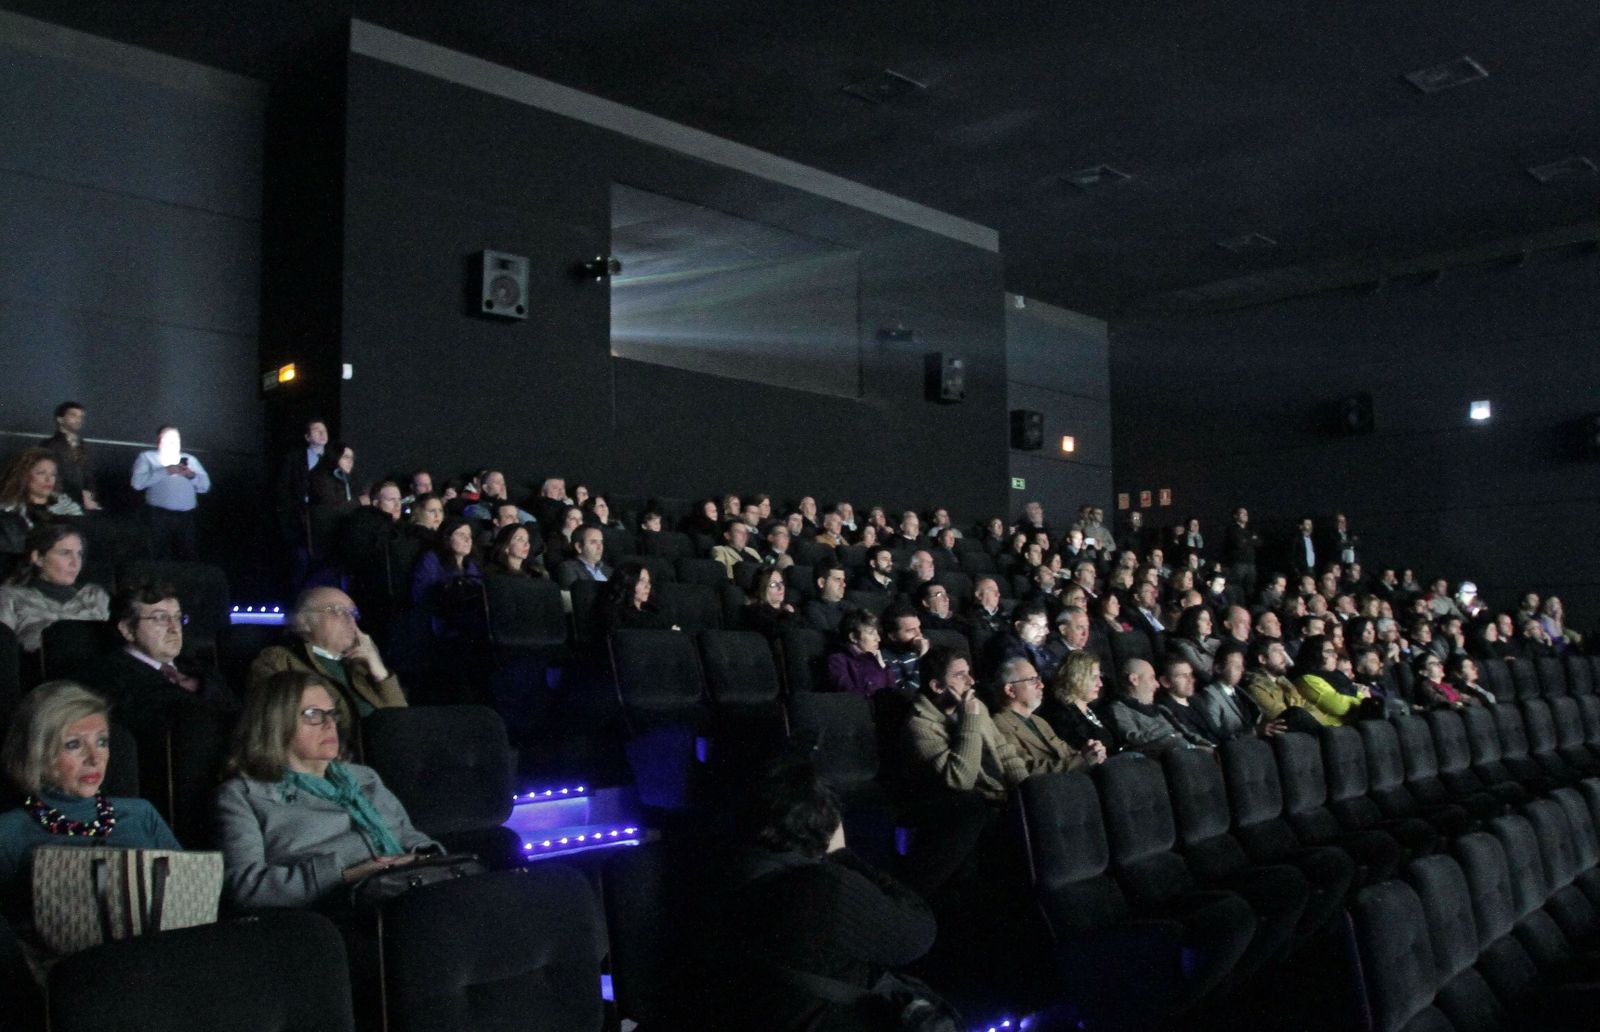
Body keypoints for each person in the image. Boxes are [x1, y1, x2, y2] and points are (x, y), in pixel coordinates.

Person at [715, 761, 938, 1032]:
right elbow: (919, 932)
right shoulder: (826, 889)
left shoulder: (720, 874)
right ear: (826, 823)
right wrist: (842, 856)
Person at [214, 671, 439, 910]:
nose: (330, 724)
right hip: (337, 910)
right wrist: (346, 875)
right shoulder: (243, 795)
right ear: (276, 724)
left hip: (411, 888)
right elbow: (246, 888)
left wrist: (425, 857)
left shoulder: (364, 777)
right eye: (314, 715)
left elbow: (409, 835)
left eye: (332, 714)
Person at [0, 681, 180, 923]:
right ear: (38, 753)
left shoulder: (141, 813)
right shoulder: (8, 832)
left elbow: (184, 890)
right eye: (73, 744)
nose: (94, 759)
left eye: (102, 742)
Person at [90, 581, 235, 737]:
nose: (174, 628)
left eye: (177, 618)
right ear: (127, 630)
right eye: (160, 618)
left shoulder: (200, 668)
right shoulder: (109, 676)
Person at [247, 587, 406, 727]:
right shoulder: (279, 659)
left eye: (353, 613)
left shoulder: (363, 664)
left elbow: (403, 723)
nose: (350, 620)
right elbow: (275, 720)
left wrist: (380, 672)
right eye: (337, 611)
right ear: (305, 622)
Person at [0, 524, 109, 652]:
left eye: (79, 554)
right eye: (65, 553)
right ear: (38, 558)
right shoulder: (9, 597)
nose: (75, 563)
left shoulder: (94, 595)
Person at [990, 656, 1105, 774]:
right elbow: (1025, 769)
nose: (1041, 685)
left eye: (1038, 679)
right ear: (1010, 690)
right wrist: (1082, 760)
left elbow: (1067, 752)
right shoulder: (999, 725)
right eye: (1032, 680)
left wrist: (1091, 752)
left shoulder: (1040, 721)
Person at [1104, 658, 1211, 755]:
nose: (1157, 684)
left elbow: (1185, 732)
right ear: (1134, 680)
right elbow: (1132, 738)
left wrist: (1204, 744)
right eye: (1152, 678)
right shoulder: (1119, 708)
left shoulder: (1161, 709)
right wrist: (1169, 735)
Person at [1037, 651, 1119, 754]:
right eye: (1094, 678)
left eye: (1099, 677)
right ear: (1075, 679)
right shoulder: (1062, 718)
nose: (1100, 684)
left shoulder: (1098, 709)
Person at [0, 450, 83, 549]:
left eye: (53, 474)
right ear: (25, 475)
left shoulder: (68, 509)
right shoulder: (7, 511)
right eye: (41, 473)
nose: (48, 479)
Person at [38, 402, 99, 511]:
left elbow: (88, 475)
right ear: (60, 419)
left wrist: (88, 495)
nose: (78, 420)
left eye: (81, 417)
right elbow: (50, 477)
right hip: (57, 503)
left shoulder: (83, 446)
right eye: (73, 415)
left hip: (81, 503)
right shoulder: (49, 445)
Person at [825, 609, 899, 699]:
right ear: (853, 637)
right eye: (871, 633)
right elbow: (853, 696)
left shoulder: (876, 658)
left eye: (877, 633)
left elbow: (893, 692)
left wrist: (883, 667)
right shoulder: (838, 661)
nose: (878, 639)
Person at [605, 562, 675, 632]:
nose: (648, 586)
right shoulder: (615, 613)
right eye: (642, 581)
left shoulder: (653, 609)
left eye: (648, 581)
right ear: (628, 582)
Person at [743, 567, 796, 640]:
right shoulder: (755, 612)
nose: (780, 587)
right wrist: (789, 614)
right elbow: (775, 633)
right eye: (773, 584)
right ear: (762, 589)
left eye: (781, 582)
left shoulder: (788, 607)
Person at [802, 560, 849, 635]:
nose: (843, 584)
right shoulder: (812, 610)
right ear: (821, 583)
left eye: (843, 580)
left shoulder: (849, 606)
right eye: (838, 579)